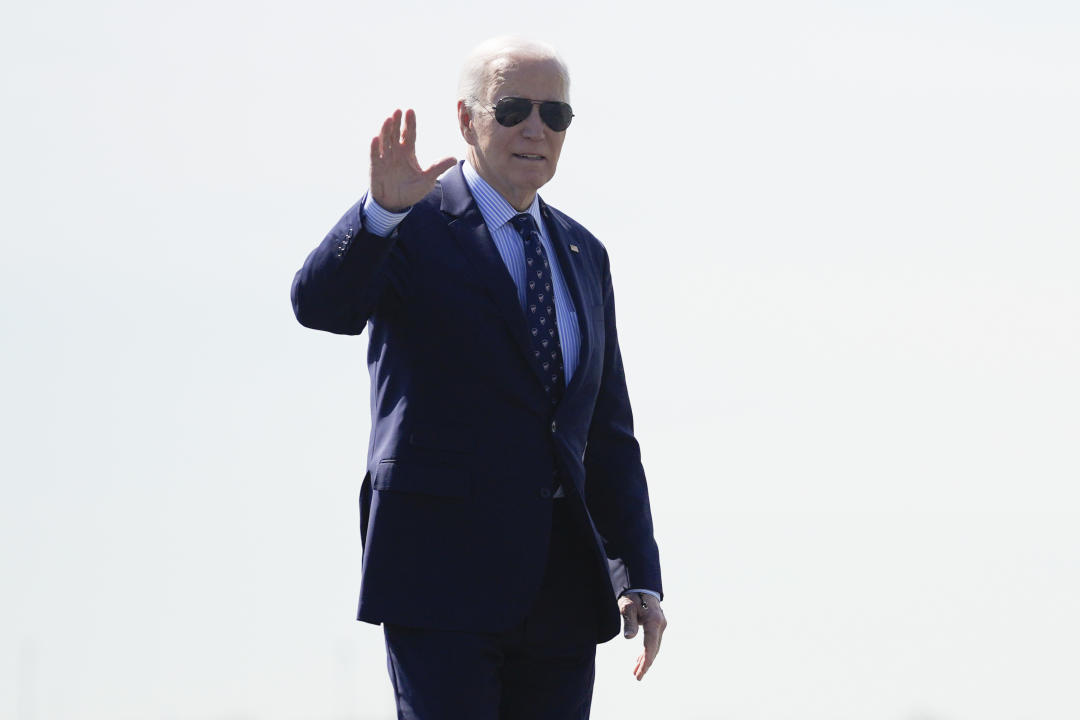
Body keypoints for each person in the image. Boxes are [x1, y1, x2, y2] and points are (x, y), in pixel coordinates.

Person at [291, 36, 666, 719]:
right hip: (439, 573)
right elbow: (320, 306)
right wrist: (379, 217)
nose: (535, 128)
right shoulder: (411, 223)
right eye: (514, 108)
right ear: (467, 120)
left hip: (560, 586)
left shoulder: (585, 252)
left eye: (555, 116)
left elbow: (606, 434)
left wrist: (636, 572)